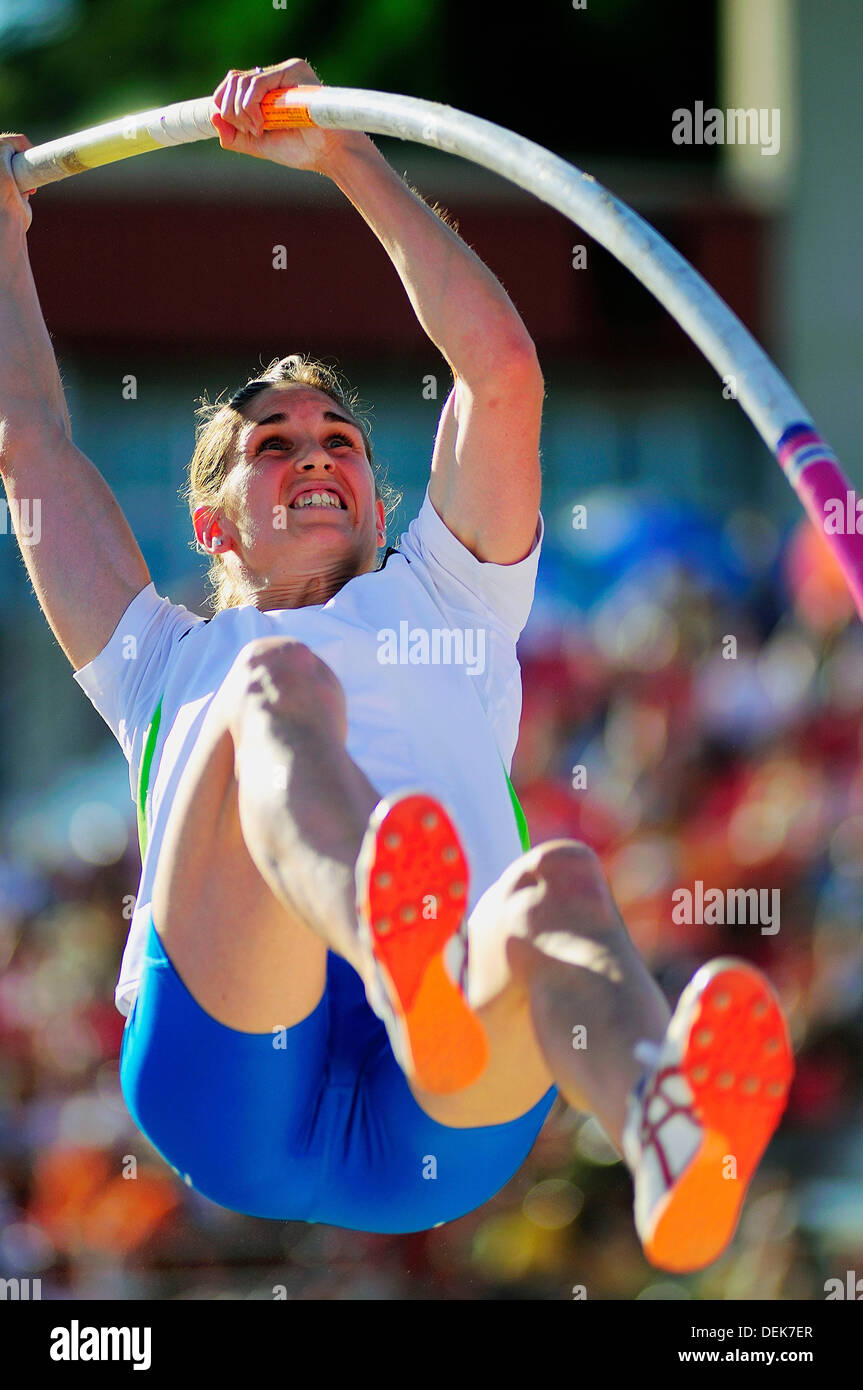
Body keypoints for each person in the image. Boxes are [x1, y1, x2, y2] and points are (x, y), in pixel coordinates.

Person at [0, 59, 793, 1271]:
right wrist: (1, 235)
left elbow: (500, 376)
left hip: (448, 1103)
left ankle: (662, 1123)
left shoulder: (451, 594)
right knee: (276, 697)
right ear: (212, 523)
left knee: (561, 886)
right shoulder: (160, 656)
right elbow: (34, 446)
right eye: (273, 444)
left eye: (339, 439)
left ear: (380, 494)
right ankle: (395, 944)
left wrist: (348, 160)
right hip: (234, 1075)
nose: (314, 453)